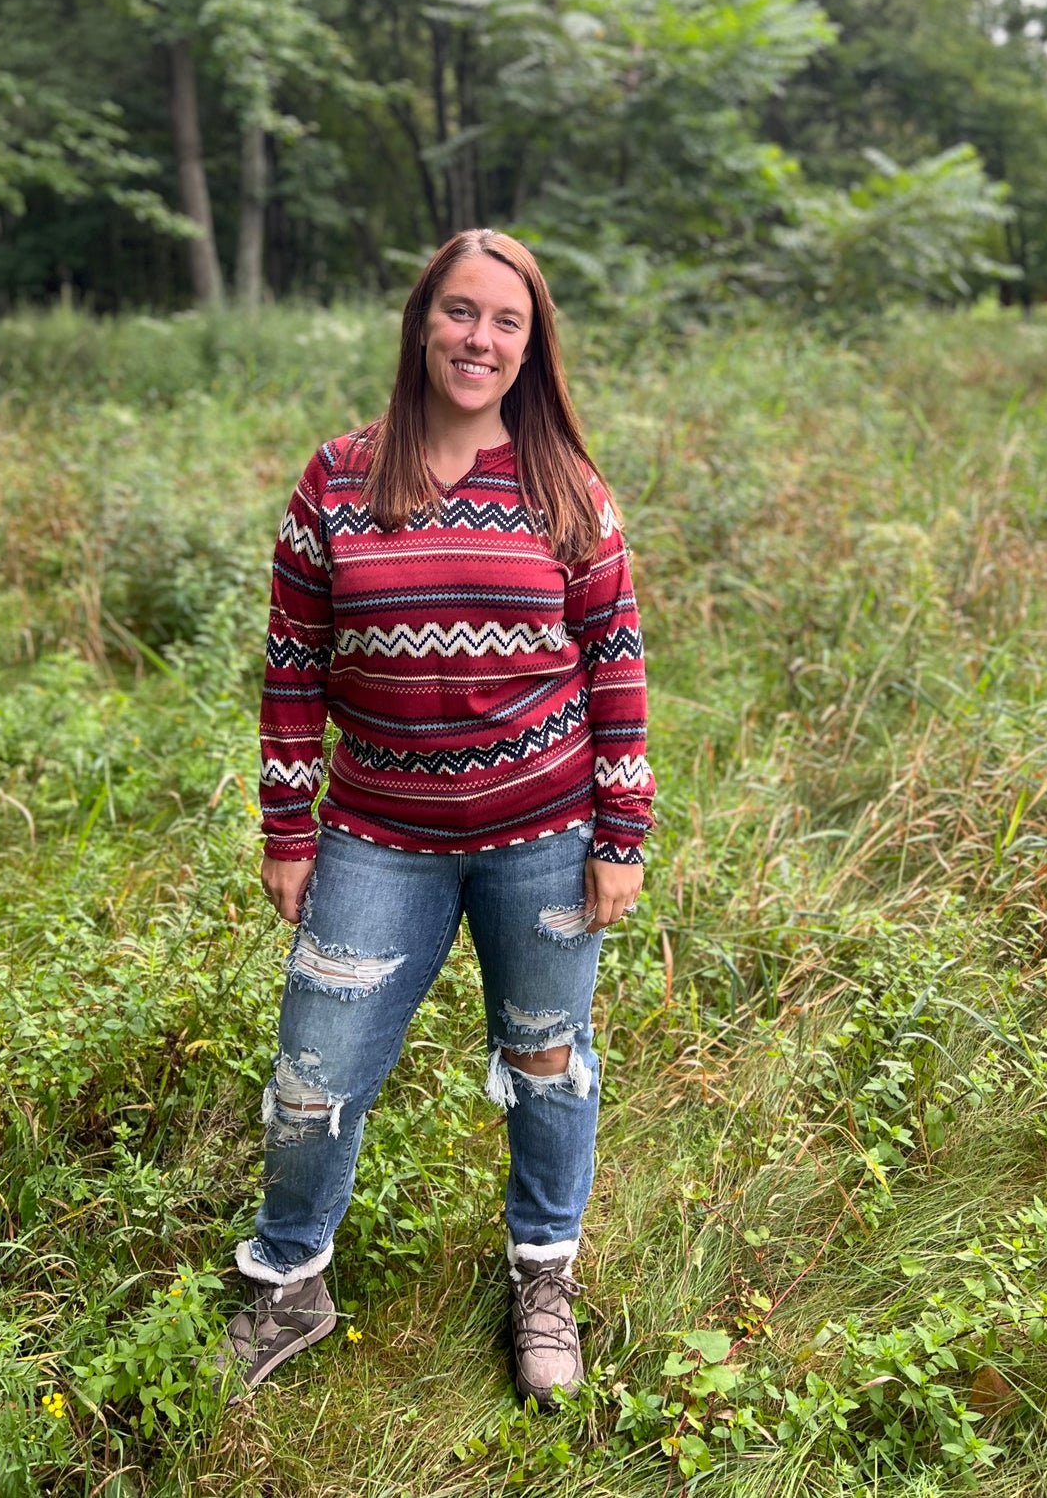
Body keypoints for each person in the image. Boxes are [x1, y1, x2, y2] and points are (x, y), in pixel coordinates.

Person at [223, 229, 655, 1403]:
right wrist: (285, 828)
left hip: (546, 836)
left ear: (530, 343)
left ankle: (541, 1276)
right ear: (423, 322)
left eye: (505, 321)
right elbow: (291, 669)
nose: (480, 338)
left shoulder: (565, 484)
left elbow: (614, 665)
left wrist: (621, 833)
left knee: (547, 1062)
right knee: (317, 1066)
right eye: (460, 313)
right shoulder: (339, 479)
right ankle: (289, 1282)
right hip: (378, 835)